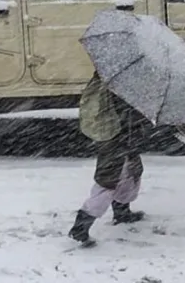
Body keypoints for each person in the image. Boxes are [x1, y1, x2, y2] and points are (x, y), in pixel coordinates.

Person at [68, 72, 148, 245]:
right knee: (108, 180)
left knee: (131, 172)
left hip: (122, 134)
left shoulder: (115, 71)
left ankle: (122, 212)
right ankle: (80, 228)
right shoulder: (118, 77)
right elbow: (124, 110)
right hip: (117, 134)